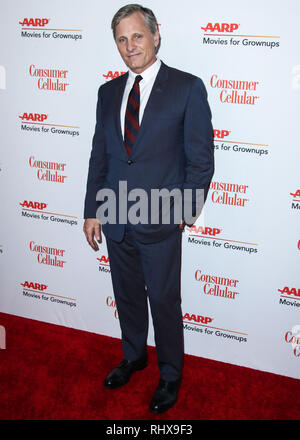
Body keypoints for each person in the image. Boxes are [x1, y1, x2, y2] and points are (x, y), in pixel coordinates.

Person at [83, 4, 214, 414]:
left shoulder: (186, 88)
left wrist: (184, 211)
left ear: (156, 36)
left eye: (137, 36)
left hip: (160, 218)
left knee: (163, 300)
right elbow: (99, 157)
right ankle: (134, 355)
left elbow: (201, 160)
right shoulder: (107, 93)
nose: (129, 46)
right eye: (122, 39)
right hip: (116, 217)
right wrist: (92, 209)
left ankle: (170, 373)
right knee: (126, 296)